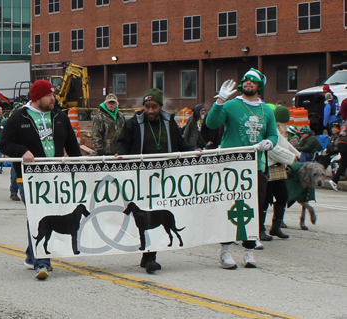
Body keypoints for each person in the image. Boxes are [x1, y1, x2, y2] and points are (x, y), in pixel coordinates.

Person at [0, 79, 81, 280]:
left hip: (55, 176)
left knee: (49, 213)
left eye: (53, 95)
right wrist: (22, 151)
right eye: (49, 95)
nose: (53, 98)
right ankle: (42, 261)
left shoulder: (60, 116)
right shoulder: (19, 118)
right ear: (37, 97)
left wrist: (80, 167)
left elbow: (71, 144)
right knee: (38, 214)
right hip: (29, 177)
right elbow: (5, 144)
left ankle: (31, 255)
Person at [206, 68, 278, 269]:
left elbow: (273, 135)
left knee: (254, 209)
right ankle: (225, 251)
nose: (248, 83)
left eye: (253, 81)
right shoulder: (231, 105)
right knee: (230, 208)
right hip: (232, 166)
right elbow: (212, 122)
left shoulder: (267, 111)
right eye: (246, 80)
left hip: (256, 166)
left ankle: (249, 252)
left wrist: (269, 144)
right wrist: (220, 100)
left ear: (259, 86)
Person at [115, 88, 193, 274]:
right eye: (147, 106)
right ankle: (149, 257)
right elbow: (123, 142)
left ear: (160, 106)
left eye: (154, 107)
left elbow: (180, 143)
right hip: (141, 177)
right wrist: (120, 153)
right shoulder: (133, 123)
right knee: (146, 217)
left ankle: (149, 256)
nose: (150, 111)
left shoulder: (170, 123)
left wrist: (193, 152)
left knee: (156, 216)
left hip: (164, 177)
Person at [262, 106, 300, 243]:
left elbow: (285, 145)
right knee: (265, 198)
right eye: (283, 122)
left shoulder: (279, 130)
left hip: (279, 168)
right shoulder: (269, 128)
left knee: (282, 196)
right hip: (269, 167)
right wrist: (291, 157)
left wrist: (296, 153)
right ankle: (260, 228)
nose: (285, 125)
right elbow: (273, 149)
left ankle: (276, 227)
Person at [329, 124, 347, 192]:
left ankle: (334, 180)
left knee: (343, 164)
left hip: (341, 142)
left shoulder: (344, 123)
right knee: (343, 164)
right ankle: (334, 180)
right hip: (346, 143)